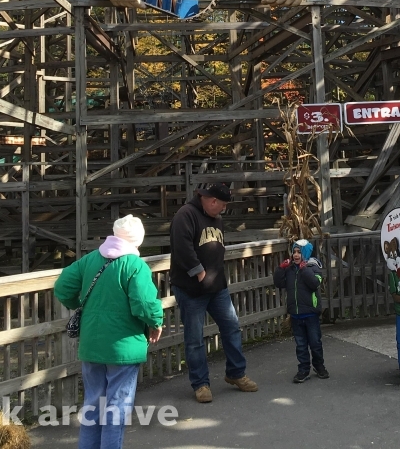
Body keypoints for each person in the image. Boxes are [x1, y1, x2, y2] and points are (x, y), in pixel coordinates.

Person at [54, 215, 163, 449]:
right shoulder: (135, 266)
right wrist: (156, 322)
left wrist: (79, 303)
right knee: (117, 407)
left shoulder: (90, 259)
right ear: (139, 240)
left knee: (93, 404)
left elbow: (63, 286)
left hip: (92, 342)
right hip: (123, 346)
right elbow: (144, 304)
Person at [169, 183, 258, 403]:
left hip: (217, 288)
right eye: (223, 205)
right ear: (212, 201)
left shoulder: (216, 218)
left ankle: (236, 373)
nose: (224, 209)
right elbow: (181, 247)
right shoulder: (185, 215)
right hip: (191, 290)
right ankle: (200, 384)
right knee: (195, 339)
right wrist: (199, 273)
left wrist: (216, 276)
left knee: (232, 328)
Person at [273, 238, 328, 383]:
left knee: (315, 342)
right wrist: (281, 268)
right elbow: (278, 283)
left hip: (311, 313)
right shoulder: (290, 270)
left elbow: (315, 283)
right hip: (296, 314)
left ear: (306, 253)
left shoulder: (313, 267)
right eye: (294, 252)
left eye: (299, 252)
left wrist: (304, 269)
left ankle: (319, 365)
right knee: (301, 345)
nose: (296, 255)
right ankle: (303, 369)